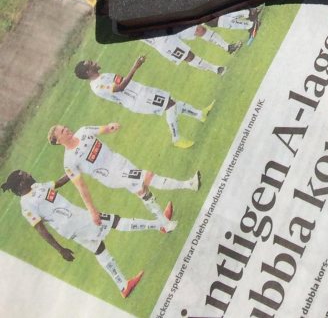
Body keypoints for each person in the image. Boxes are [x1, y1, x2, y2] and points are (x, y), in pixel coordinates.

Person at [2, 168, 168, 298]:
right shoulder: (26, 205)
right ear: (20, 184)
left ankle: (123, 286)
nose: (29, 175)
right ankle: (161, 225)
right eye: (25, 175)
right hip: (76, 222)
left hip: (74, 223)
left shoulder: (37, 186)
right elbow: (41, 229)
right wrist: (60, 249)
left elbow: (59, 182)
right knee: (115, 221)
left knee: (99, 248)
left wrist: (73, 168)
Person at [48, 123, 198, 223]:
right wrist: (92, 211)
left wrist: (110, 127)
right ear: (58, 141)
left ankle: (164, 223)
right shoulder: (69, 162)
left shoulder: (83, 131)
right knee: (148, 177)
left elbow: (103, 129)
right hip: (111, 175)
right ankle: (189, 184)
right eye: (62, 131)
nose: (66, 129)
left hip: (119, 160)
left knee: (142, 190)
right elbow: (81, 187)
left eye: (64, 127)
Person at [74, 56, 212, 150]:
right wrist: (135, 67)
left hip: (141, 92)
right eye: (91, 63)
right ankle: (177, 139)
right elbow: (120, 87)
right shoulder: (97, 86)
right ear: (88, 72)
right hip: (138, 99)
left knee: (171, 103)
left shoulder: (102, 76)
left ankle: (200, 114)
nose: (94, 62)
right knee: (170, 105)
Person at [145, 25, 242, 73]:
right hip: (161, 40)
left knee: (199, 29)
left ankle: (228, 47)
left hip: (170, 25)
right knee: (188, 56)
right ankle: (216, 69)